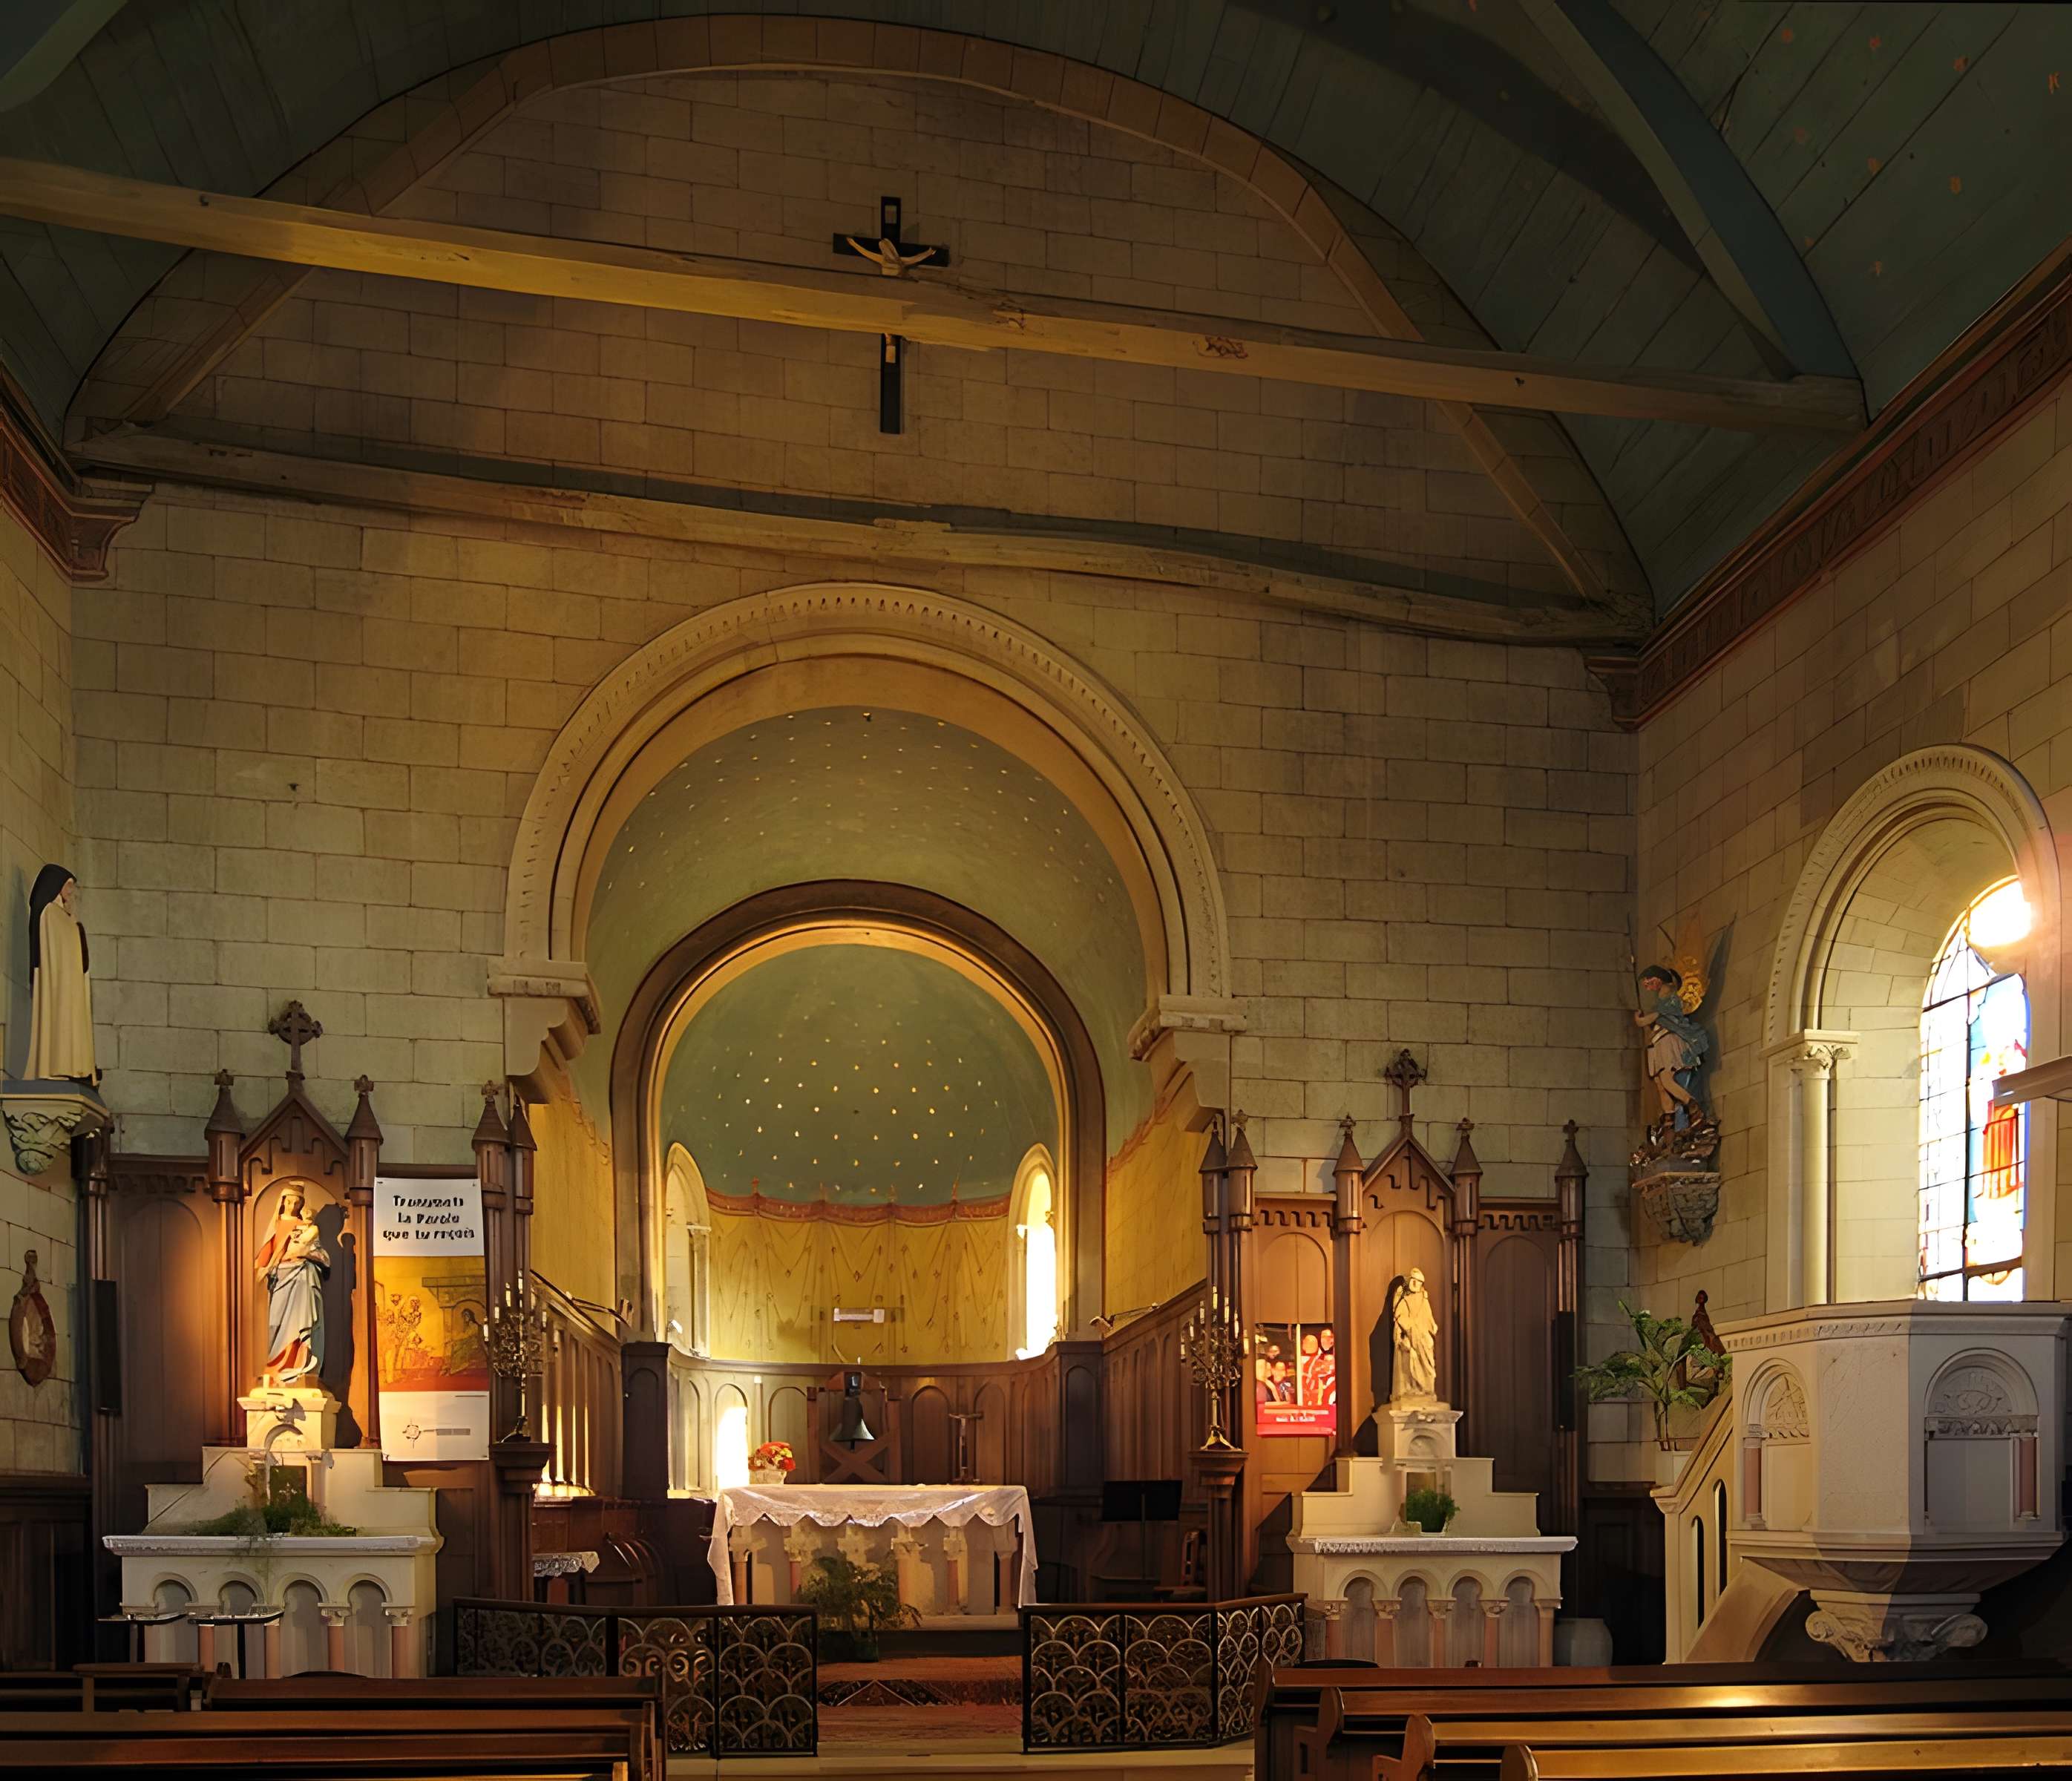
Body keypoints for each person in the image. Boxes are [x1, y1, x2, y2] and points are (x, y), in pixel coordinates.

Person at [25, 865, 95, 1083]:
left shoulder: (67, 918)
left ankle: (75, 1068)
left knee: (73, 1023)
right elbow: (49, 954)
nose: (71, 891)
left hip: (71, 987)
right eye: (68, 885)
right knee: (57, 1024)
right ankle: (55, 1066)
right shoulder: (49, 914)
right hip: (56, 986)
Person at [255, 1185, 330, 1387]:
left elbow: (323, 1257)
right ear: (282, 1202)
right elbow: (267, 1252)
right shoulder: (277, 1224)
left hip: (301, 1278)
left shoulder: (306, 1227)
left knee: (301, 1324)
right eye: (289, 1201)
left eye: (297, 1202)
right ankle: (275, 1369)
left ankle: (298, 1367)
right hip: (280, 1278)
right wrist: (261, 1268)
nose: (293, 1205)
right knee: (276, 1325)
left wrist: (305, 1253)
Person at [1392, 1266, 1438, 1402]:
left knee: (1428, 1355)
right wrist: (1410, 1328)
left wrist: (1432, 1326)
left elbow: (1428, 1315)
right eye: (1414, 1281)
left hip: (1422, 1334)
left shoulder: (1423, 1298)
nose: (1416, 1284)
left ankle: (1426, 1388)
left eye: (1419, 1282)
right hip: (1411, 1333)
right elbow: (1400, 1315)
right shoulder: (1404, 1297)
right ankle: (1414, 1387)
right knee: (1411, 1357)